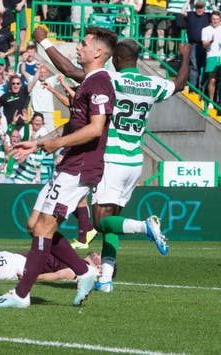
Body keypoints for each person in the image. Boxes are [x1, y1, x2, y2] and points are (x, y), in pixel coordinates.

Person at [32, 27, 190, 293]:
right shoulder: (152, 84)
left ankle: (145, 226)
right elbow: (181, 83)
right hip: (134, 161)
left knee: (99, 222)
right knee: (112, 222)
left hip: (112, 159)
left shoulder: (109, 81)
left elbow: (72, 71)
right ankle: (105, 279)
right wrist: (185, 56)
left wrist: (43, 42)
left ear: (114, 59)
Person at [0, 26, 118, 309]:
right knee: (34, 225)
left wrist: (56, 145)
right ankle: (84, 272)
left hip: (82, 167)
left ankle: (21, 294)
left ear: (97, 52)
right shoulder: (88, 83)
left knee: (45, 227)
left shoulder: (101, 84)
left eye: (83, 44)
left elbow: (95, 130)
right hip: (70, 163)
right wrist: (38, 142)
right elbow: (73, 125)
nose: (78, 48)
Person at [202, 11, 221, 108]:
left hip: (220, 57)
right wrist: (211, 41)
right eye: (213, 19)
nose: (215, 21)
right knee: (212, 79)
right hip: (211, 56)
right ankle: (210, 101)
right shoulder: (206, 30)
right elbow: (204, 45)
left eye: (217, 19)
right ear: (211, 19)